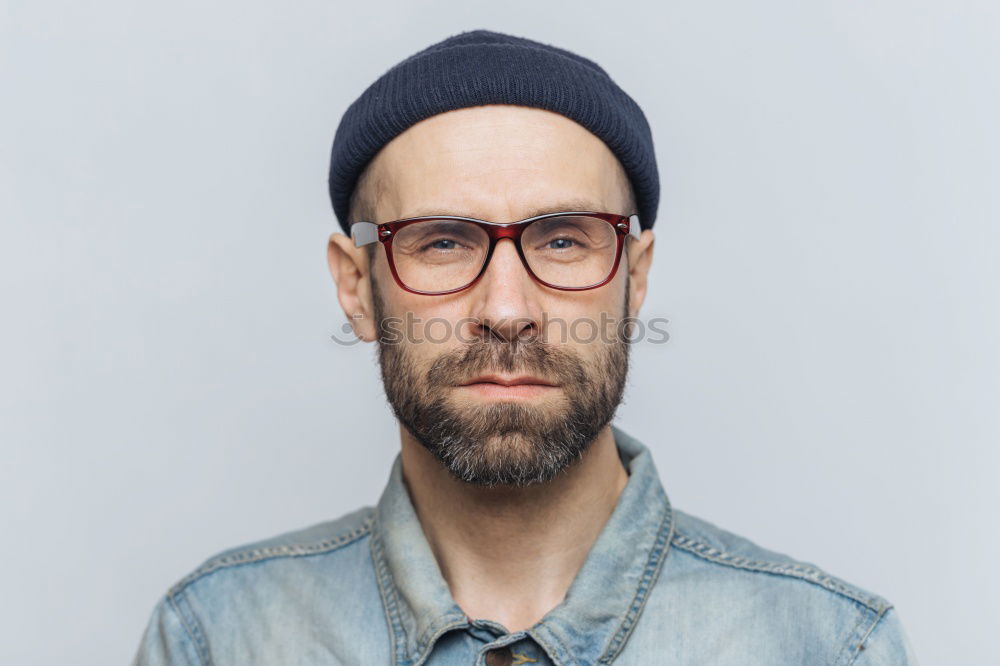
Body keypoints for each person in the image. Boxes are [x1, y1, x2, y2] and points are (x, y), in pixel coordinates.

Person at [133, 29, 917, 665]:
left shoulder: (827, 648)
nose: (507, 310)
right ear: (355, 286)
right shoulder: (216, 639)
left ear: (634, 281)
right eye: (440, 242)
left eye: (565, 240)